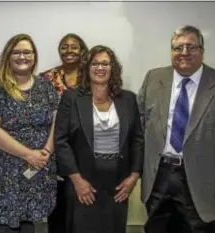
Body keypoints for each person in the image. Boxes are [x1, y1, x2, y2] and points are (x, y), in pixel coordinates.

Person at [137, 25, 215, 233]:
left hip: (203, 178)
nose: (184, 53)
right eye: (178, 48)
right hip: (159, 175)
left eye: (191, 47)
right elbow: (140, 125)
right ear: (171, 51)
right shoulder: (153, 78)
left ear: (202, 51)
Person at [0, 33, 58, 233]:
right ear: (8, 56)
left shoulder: (45, 86)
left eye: (27, 52)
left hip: (37, 168)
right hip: (3, 171)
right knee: (5, 226)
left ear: (34, 56)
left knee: (29, 224)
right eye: (17, 52)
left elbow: (57, 121)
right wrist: (29, 154)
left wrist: (45, 152)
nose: (23, 57)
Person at [55, 45, 144, 233]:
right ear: (87, 68)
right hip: (83, 181)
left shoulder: (128, 99)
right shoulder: (71, 98)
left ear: (113, 68)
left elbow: (137, 139)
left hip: (118, 184)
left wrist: (134, 177)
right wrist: (77, 180)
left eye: (105, 63)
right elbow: (61, 141)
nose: (100, 68)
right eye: (95, 63)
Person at [41, 33, 88, 233]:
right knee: (58, 205)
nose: (69, 51)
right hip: (54, 146)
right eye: (64, 47)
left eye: (74, 47)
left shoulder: (91, 76)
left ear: (82, 51)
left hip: (84, 146)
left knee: (82, 203)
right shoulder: (46, 77)